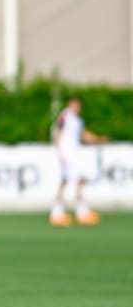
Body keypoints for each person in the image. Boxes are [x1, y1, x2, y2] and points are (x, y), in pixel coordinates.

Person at [49, 97, 108, 226]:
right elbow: (57, 131)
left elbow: (83, 135)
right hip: (67, 154)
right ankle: (58, 212)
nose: (77, 107)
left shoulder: (77, 120)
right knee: (65, 181)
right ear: (70, 104)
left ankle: (80, 211)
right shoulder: (65, 116)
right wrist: (60, 151)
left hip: (75, 153)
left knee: (79, 179)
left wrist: (98, 139)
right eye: (75, 104)